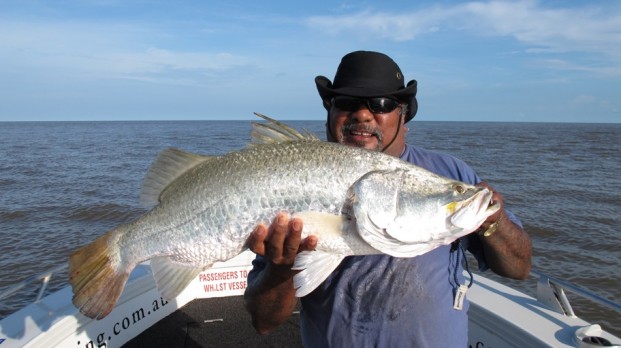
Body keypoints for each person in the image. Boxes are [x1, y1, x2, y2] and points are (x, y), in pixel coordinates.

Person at [244, 51, 532, 347]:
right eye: (346, 102)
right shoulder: (286, 180)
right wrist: (282, 268)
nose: (363, 114)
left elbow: (518, 269)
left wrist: (494, 223)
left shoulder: (450, 174)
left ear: (403, 113)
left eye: (381, 104)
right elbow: (263, 322)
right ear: (329, 111)